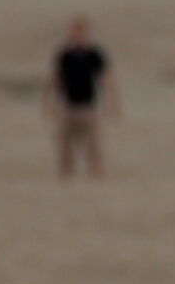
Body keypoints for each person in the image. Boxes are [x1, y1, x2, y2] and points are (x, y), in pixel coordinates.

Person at [42, 15, 119, 179]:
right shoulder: (65, 55)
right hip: (68, 107)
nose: (76, 34)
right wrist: (49, 102)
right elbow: (56, 79)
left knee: (93, 146)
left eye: (80, 31)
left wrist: (111, 103)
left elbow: (105, 79)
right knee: (65, 146)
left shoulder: (94, 54)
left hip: (88, 107)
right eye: (73, 31)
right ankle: (65, 177)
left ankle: (96, 175)